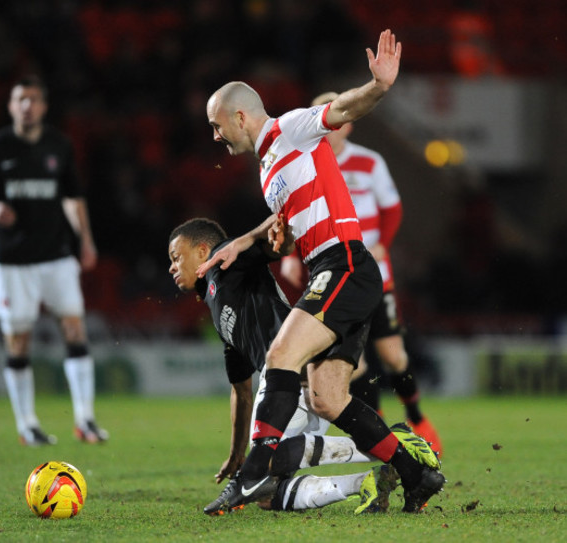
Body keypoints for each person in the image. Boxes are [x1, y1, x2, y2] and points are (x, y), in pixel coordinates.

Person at [199, 29, 444, 513]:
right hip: (333, 269)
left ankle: (256, 474)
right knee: (328, 397)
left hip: (345, 264)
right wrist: (264, 240)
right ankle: (417, 474)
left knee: (280, 355)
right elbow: (287, 223)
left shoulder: (290, 127)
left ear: (240, 117)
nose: (214, 135)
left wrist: (377, 87)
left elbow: (343, 110)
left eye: (216, 125)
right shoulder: (270, 168)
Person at [169, 216, 415, 515]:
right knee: (266, 494)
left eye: (176, 257)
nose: (172, 267)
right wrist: (236, 455)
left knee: (265, 466)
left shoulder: (228, 260)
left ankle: (394, 445)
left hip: (291, 380)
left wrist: (278, 237)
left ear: (203, 250)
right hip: (289, 389)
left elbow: (277, 248)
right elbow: (241, 392)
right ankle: (365, 482)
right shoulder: (218, 302)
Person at [279, 91, 443, 456]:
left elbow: (392, 208)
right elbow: (293, 213)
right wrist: (291, 253)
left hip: (374, 275)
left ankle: (416, 416)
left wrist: (383, 242)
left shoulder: (369, 162)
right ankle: (380, 429)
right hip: (335, 276)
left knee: (394, 356)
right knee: (355, 365)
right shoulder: (304, 161)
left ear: (347, 123)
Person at [0, 75, 108, 446]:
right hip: (13, 262)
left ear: (43, 106)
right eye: (20, 99)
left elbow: (73, 197)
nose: (27, 106)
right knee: (18, 341)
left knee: (75, 329)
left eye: (33, 99)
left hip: (57, 256)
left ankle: (85, 419)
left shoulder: (59, 145)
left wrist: (85, 240)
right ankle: (27, 423)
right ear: (11, 106)